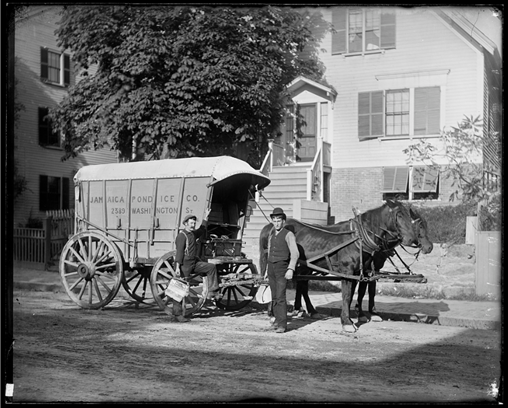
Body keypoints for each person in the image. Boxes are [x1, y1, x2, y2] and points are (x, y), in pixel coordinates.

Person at [171, 213, 221, 323]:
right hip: (184, 265)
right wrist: (177, 267)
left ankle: (212, 291)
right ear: (185, 224)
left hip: (194, 263)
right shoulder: (181, 236)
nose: (193, 225)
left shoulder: (193, 234)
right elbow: (179, 253)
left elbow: (202, 229)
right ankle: (177, 314)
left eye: (194, 223)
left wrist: (205, 218)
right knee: (179, 289)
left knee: (211, 267)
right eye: (191, 223)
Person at [265, 207, 299, 333]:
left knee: (280, 297)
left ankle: (282, 325)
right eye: (274, 220)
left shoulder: (288, 235)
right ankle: (276, 321)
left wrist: (290, 268)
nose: (276, 223)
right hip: (271, 268)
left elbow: (295, 253)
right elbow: (268, 252)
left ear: (283, 221)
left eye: (279, 220)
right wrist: (265, 272)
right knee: (274, 297)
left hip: (282, 268)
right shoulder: (271, 234)